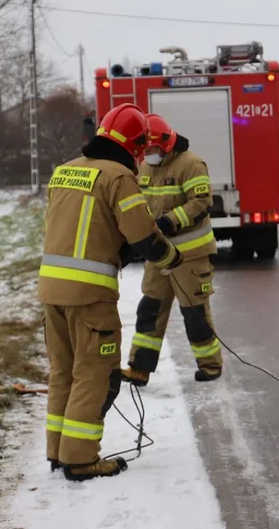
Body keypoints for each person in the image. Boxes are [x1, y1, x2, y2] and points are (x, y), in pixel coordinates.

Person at [39, 103, 183, 482]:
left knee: (63, 371)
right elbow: (142, 234)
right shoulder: (119, 176)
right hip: (90, 297)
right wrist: (169, 255)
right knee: (96, 373)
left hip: (51, 292)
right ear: (136, 145)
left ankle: (58, 450)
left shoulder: (64, 172)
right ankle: (81, 459)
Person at [121, 114, 224, 387]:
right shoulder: (145, 166)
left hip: (190, 256)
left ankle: (210, 366)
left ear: (166, 144)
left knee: (195, 312)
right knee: (150, 310)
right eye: (145, 151)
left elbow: (201, 202)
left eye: (152, 150)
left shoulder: (191, 164)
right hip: (158, 254)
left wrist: (169, 221)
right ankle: (139, 368)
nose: (148, 155)